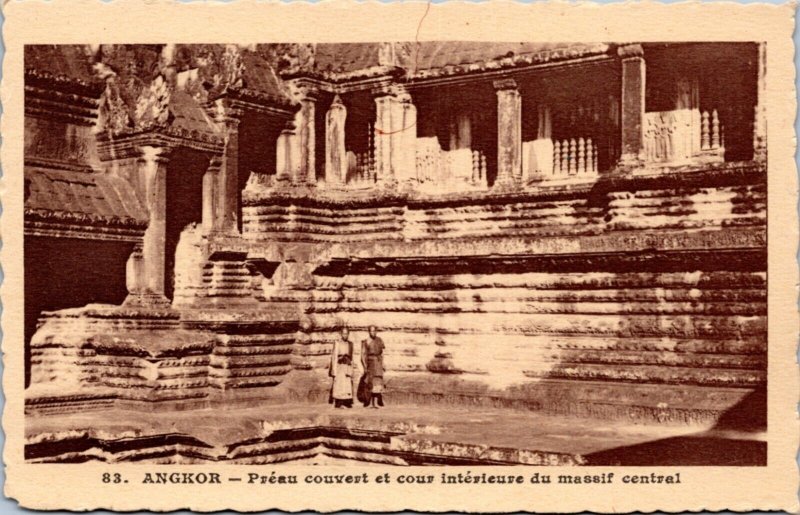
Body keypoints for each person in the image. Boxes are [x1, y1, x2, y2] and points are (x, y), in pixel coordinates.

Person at [361, 325, 385, 408]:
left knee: (377, 383)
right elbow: (363, 355)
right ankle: (371, 403)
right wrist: (364, 366)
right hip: (370, 363)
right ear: (369, 332)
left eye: (374, 331)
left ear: (376, 331)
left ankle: (376, 402)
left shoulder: (379, 340)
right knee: (370, 383)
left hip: (378, 362)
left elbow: (382, 353)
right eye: (371, 331)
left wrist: (383, 364)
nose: (373, 332)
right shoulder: (366, 341)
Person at [329, 327, 354, 408]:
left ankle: (345, 402)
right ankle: (339, 403)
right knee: (339, 384)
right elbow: (334, 356)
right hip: (340, 366)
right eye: (343, 333)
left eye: (346, 333)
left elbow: (351, 357)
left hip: (347, 365)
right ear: (341, 334)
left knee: (346, 384)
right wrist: (334, 370)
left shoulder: (350, 344)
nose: (345, 335)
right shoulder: (337, 343)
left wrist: (351, 367)